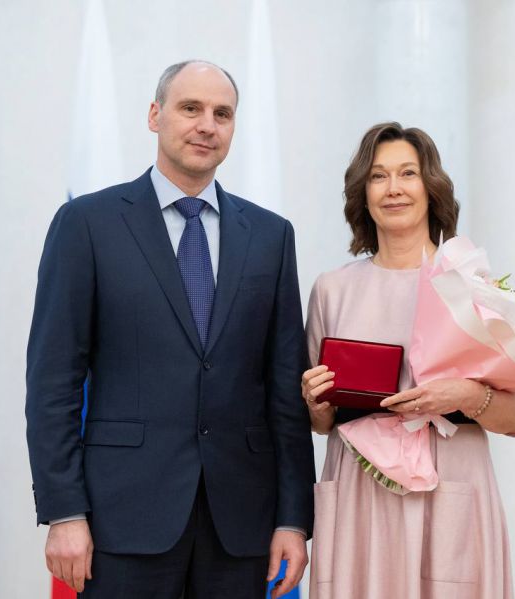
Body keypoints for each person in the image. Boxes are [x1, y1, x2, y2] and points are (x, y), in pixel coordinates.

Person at [25, 60, 314, 599]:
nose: (207, 125)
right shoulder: (87, 224)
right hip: (120, 521)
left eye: (222, 114)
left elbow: (284, 392)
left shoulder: (271, 236)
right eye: (190, 108)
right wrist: (64, 511)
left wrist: (293, 519)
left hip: (241, 525)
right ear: (155, 116)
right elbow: (53, 382)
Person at [301, 122, 515, 599]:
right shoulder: (332, 290)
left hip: (451, 486)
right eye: (378, 176)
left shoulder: (472, 288)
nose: (393, 188)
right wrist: (315, 403)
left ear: (431, 188)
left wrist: (466, 394)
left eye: (407, 173)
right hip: (360, 497)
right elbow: (321, 423)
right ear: (363, 194)